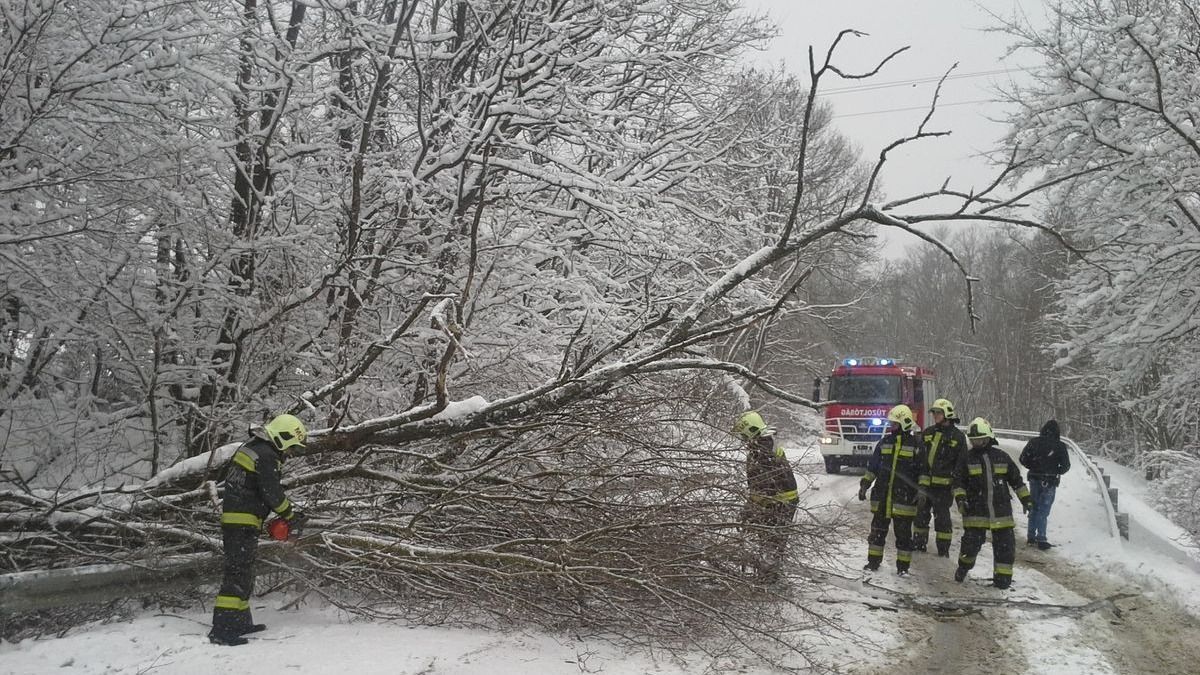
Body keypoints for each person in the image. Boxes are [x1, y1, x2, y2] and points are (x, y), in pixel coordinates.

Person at [209, 414, 307, 646]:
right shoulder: (266, 455)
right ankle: (222, 631)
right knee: (237, 574)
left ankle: (240, 622)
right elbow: (271, 492)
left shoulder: (255, 448)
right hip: (240, 521)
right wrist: (291, 516)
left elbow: (255, 489)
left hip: (242, 520)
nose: (291, 452)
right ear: (283, 437)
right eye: (292, 446)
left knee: (244, 573)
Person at [952, 417, 1033, 590]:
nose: (976, 443)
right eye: (973, 440)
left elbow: (1016, 481)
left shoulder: (1001, 457)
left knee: (1006, 548)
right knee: (970, 546)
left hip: (1001, 513)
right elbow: (958, 483)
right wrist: (961, 500)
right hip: (975, 512)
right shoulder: (966, 459)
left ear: (988, 437)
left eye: (979, 439)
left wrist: (1026, 500)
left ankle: (1003, 580)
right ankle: (963, 567)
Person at [858, 404, 926, 575]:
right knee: (877, 534)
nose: (891, 427)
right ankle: (873, 563)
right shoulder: (884, 443)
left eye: (894, 424)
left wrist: (921, 491)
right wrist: (865, 484)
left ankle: (903, 568)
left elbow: (923, 471)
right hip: (882, 497)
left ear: (905, 423)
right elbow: (873, 467)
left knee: (903, 537)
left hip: (904, 500)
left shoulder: (916, 445)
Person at [734, 411, 799, 581]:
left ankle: (770, 575)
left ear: (750, 430)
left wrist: (754, 509)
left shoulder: (762, 450)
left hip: (779, 503)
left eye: (743, 435)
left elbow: (765, 486)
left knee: (772, 541)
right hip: (779, 501)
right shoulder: (762, 445)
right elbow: (759, 487)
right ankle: (769, 572)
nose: (742, 439)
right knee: (770, 541)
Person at [914, 398, 967, 557]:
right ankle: (918, 544)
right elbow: (921, 460)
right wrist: (920, 485)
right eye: (934, 413)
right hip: (926, 485)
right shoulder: (928, 433)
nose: (935, 415)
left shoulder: (957, 437)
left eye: (938, 413)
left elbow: (961, 464)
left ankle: (943, 550)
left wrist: (956, 485)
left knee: (942, 519)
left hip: (944, 488)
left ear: (947, 414)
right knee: (921, 516)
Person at [1020, 419, 1071, 550]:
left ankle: (1031, 536)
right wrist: (1056, 470)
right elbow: (1066, 466)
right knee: (1044, 509)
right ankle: (1041, 537)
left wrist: (1033, 466)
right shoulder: (1059, 446)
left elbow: (1022, 459)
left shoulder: (1033, 442)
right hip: (1050, 480)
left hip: (1034, 478)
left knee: (1034, 506)